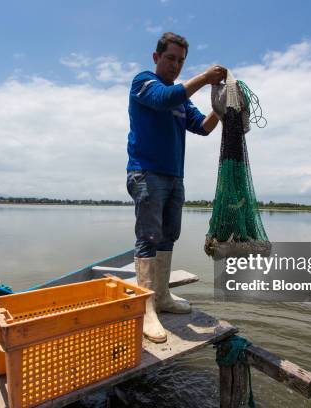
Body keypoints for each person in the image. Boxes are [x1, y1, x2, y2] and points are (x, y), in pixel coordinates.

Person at [126, 32, 226, 343]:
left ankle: (163, 297)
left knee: (169, 236)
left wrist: (222, 109)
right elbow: (163, 99)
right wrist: (206, 78)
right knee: (149, 237)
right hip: (145, 174)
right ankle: (145, 310)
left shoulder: (182, 101)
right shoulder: (144, 83)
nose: (175, 65)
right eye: (170, 58)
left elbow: (203, 128)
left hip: (174, 178)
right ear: (156, 58)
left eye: (181, 61)